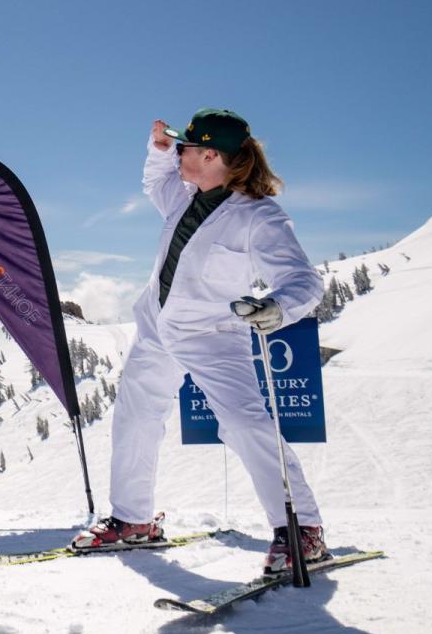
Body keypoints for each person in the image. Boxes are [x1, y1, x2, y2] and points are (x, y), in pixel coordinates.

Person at [70, 109, 327, 575]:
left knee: (245, 426)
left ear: (211, 155)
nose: (180, 153)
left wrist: (278, 307)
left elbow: (303, 280)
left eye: (186, 147)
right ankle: (133, 521)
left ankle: (302, 531)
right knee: (135, 416)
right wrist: (159, 149)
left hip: (212, 335)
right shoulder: (186, 196)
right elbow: (155, 181)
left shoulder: (257, 216)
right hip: (157, 326)